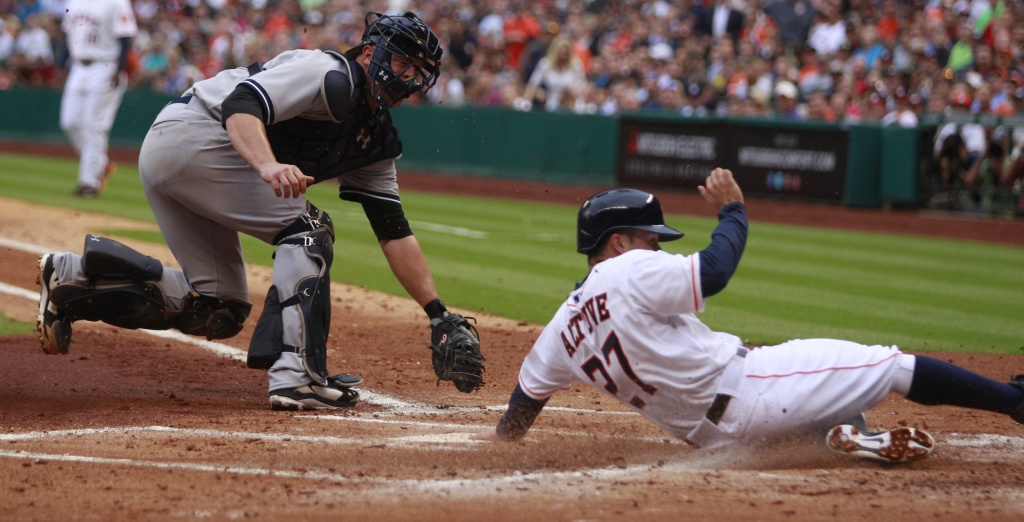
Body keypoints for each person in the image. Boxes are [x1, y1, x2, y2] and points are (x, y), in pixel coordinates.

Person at [36, 12, 477, 410]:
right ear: (369, 53)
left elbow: (393, 231)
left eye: (419, 73)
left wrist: (437, 312)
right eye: (402, 63)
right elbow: (242, 104)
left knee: (216, 307)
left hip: (183, 153)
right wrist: (267, 164)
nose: (409, 78)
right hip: (194, 135)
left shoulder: (374, 142)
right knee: (310, 230)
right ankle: (296, 377)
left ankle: (71, 280)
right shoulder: (327, 73)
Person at [476, 169, 1024, 463]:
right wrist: (733, 210)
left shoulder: (562, 327)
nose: (658, 249)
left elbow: (525, 401)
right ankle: (1016, 402)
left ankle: (848, 438)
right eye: (650, 239)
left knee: (830, 399)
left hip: (712, 440)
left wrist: (502, 447)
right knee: (891, 366)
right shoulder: (628, 270)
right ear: (617, 242)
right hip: (752, 391)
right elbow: (714, 271)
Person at [59, 0, 137, 198]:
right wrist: (61, 65)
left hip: (106, 65)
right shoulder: (74, 2)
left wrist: (119, 69)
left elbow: (126, 37)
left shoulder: (117, 2)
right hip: (77, 67)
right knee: (70, 123)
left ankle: (89, 182)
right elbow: (67, 34)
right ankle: (101, 165)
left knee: (94, 125)